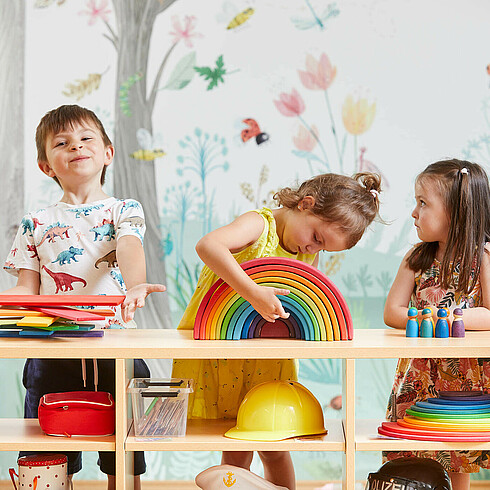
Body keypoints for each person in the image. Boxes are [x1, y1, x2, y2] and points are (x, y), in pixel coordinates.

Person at [172, 172, 382, 489]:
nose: (312, 247)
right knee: (237, 442)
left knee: (275, 442)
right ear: (305, 204)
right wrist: (252, 292)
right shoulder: (259, 224)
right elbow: (209, 245)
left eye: (322, 248)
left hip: (268, 354)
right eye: (316, 237)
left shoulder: (304, 250)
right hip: (221, 347)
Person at [2, 105, 166, 490]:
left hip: (116, 345)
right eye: (62, 142)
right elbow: (27, 288)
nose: (76, 146)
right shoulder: (35, 222)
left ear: (107, 153)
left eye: (86, 138)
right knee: (45, 450)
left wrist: (137, 283)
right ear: (47, 165)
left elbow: (127, 247)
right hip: (51, 351)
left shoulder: (123, 209)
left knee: (124, 450)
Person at [383, 159, 490, 490]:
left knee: (458, 450)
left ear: (456, 212)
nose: (414, 213)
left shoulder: (483, 256)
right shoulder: (417, 257)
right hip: (419, 372)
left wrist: (448, 317)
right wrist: (426, 316)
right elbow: (392, 311)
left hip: (466, 377)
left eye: (423, 203)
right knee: (411, 445)